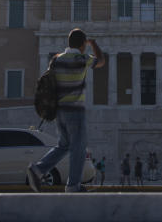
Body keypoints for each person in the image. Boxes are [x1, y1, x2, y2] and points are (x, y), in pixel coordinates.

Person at [27, 28, 106, 193]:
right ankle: (73, 185)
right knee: (78, 147)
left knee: (64, 145)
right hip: (75, 111)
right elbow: (101, 61)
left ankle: (38, 170)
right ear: (83, 45)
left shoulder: (56, 59)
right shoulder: (82, 58)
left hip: (59, 112)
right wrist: (94, 43)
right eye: (85, 44)